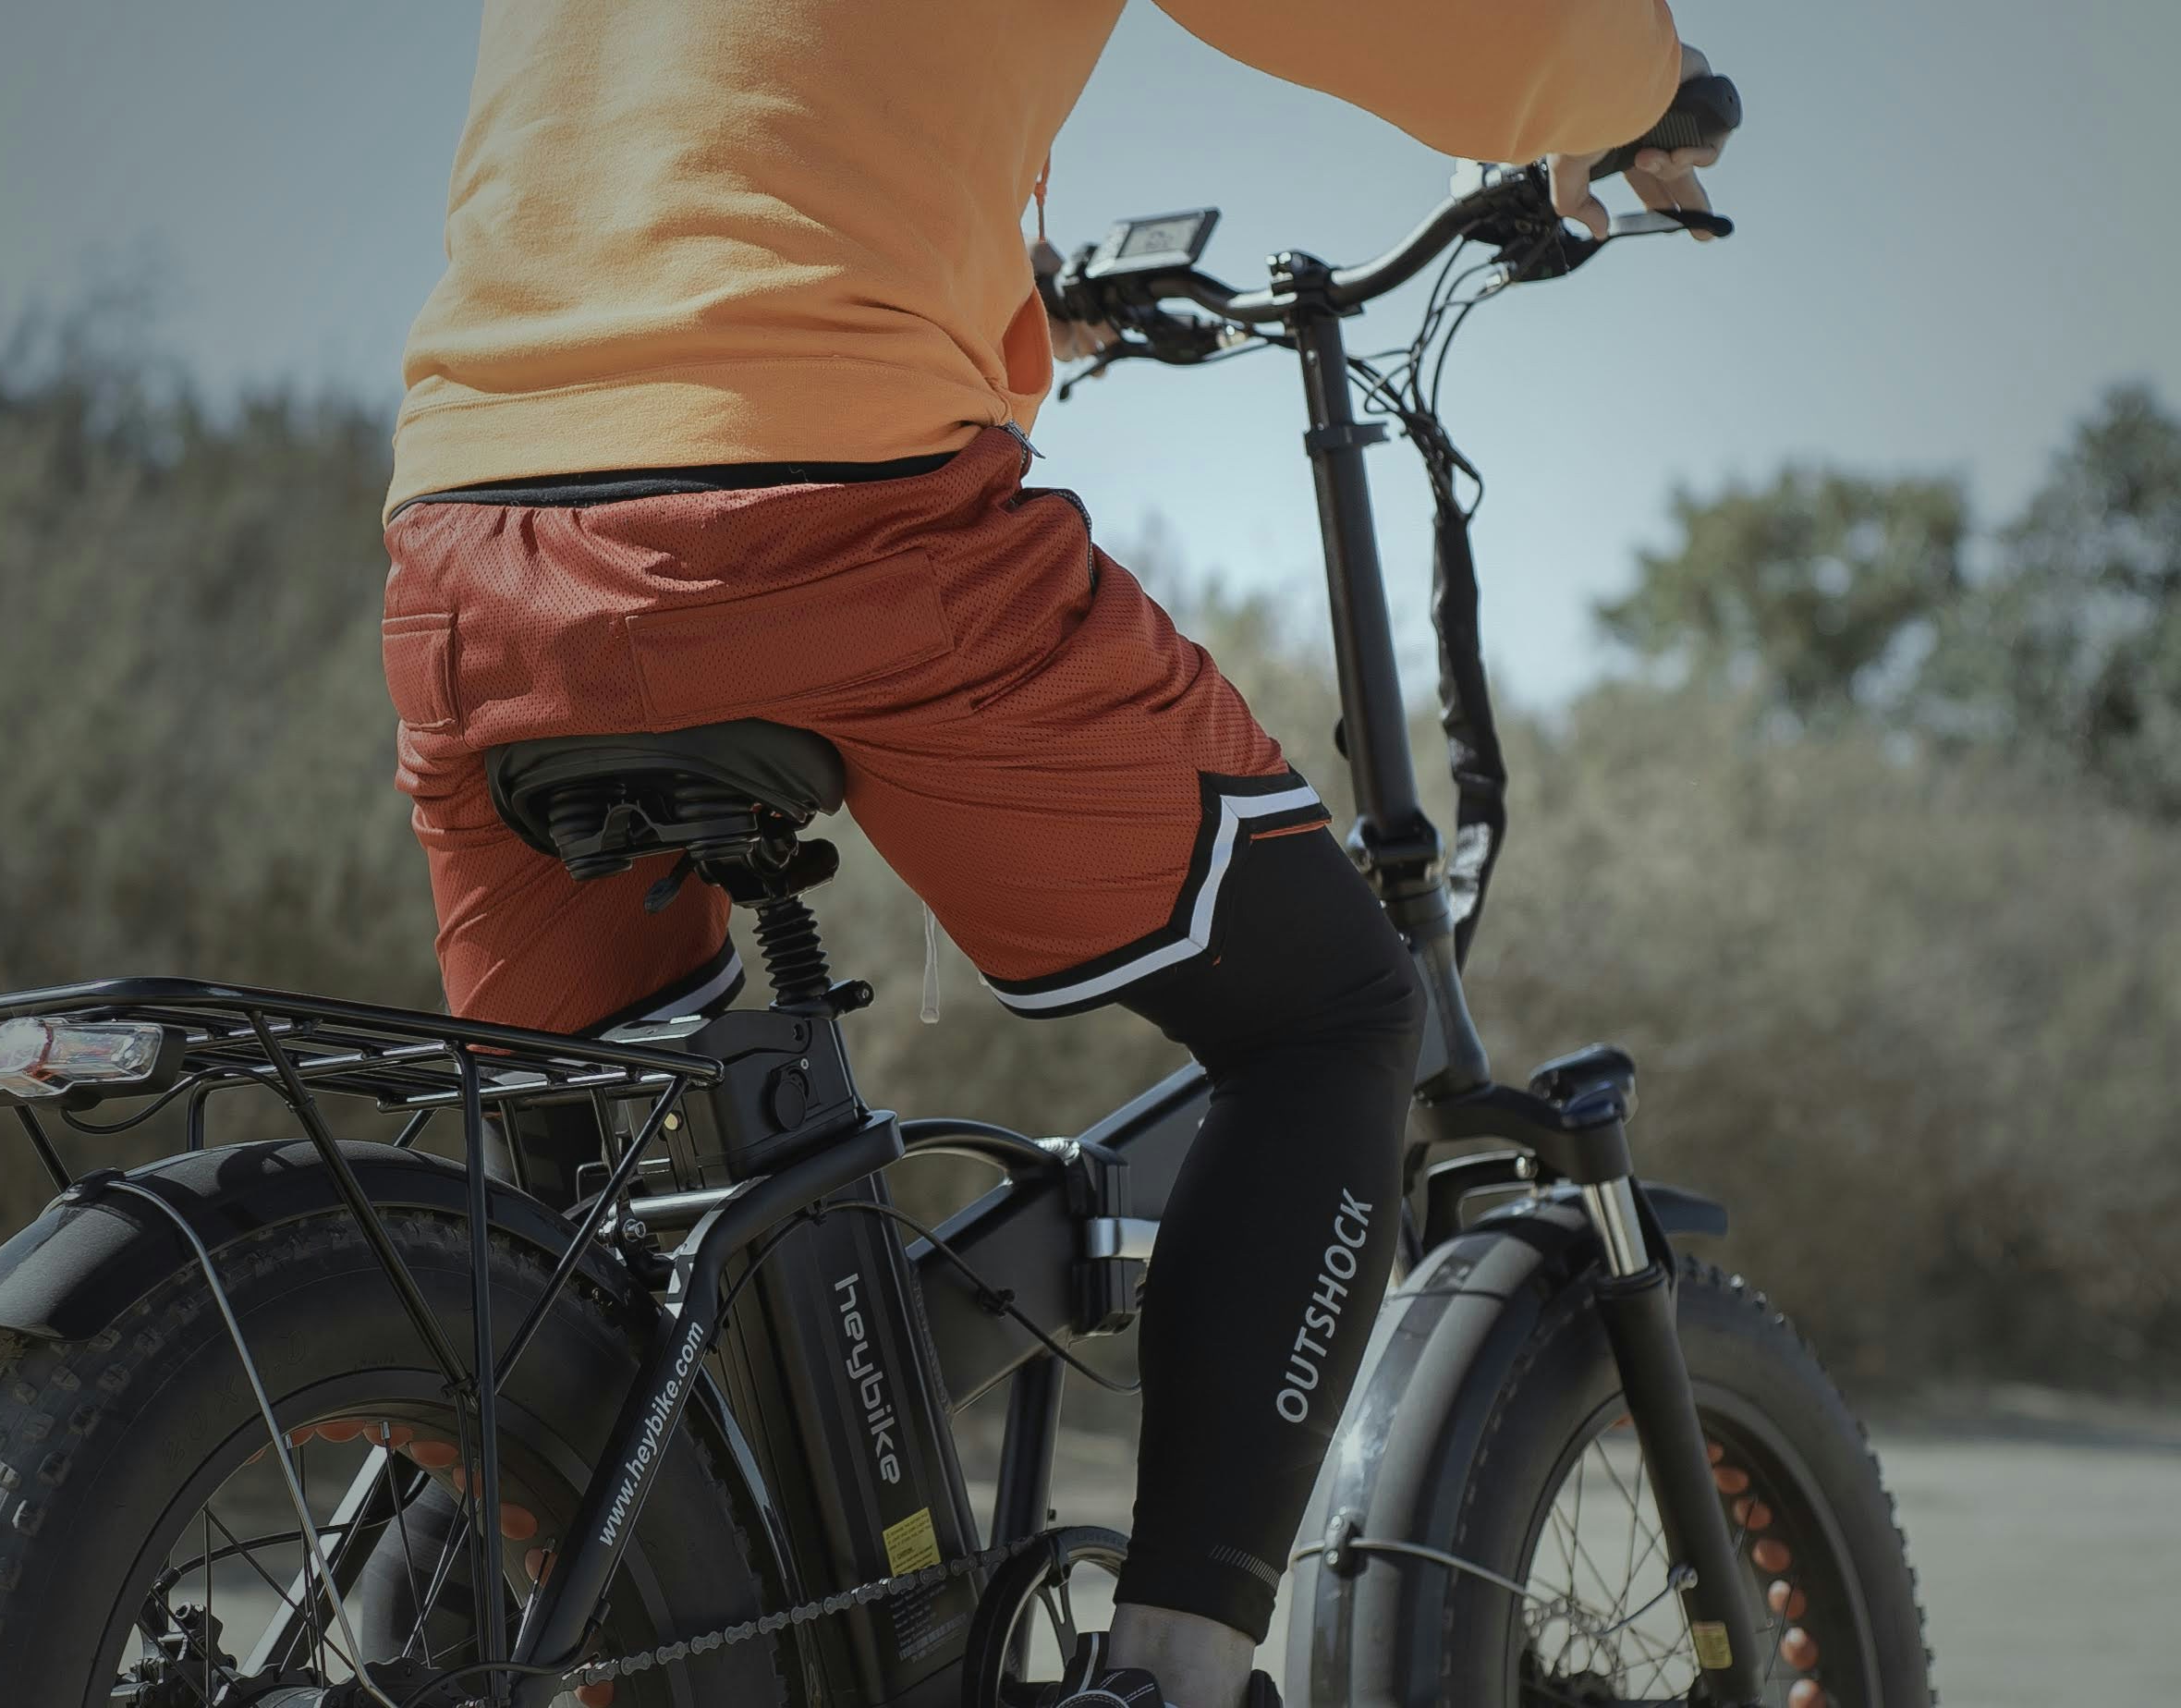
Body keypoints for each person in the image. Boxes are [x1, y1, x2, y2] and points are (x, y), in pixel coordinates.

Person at [372, 6, 1722, 1705]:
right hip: (822, 515)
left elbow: (705, 130)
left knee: (600, 1237)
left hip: (472, 548)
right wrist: (1627, 87)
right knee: (1330, 1023)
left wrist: (1021, 298)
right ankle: (1173, 1671)